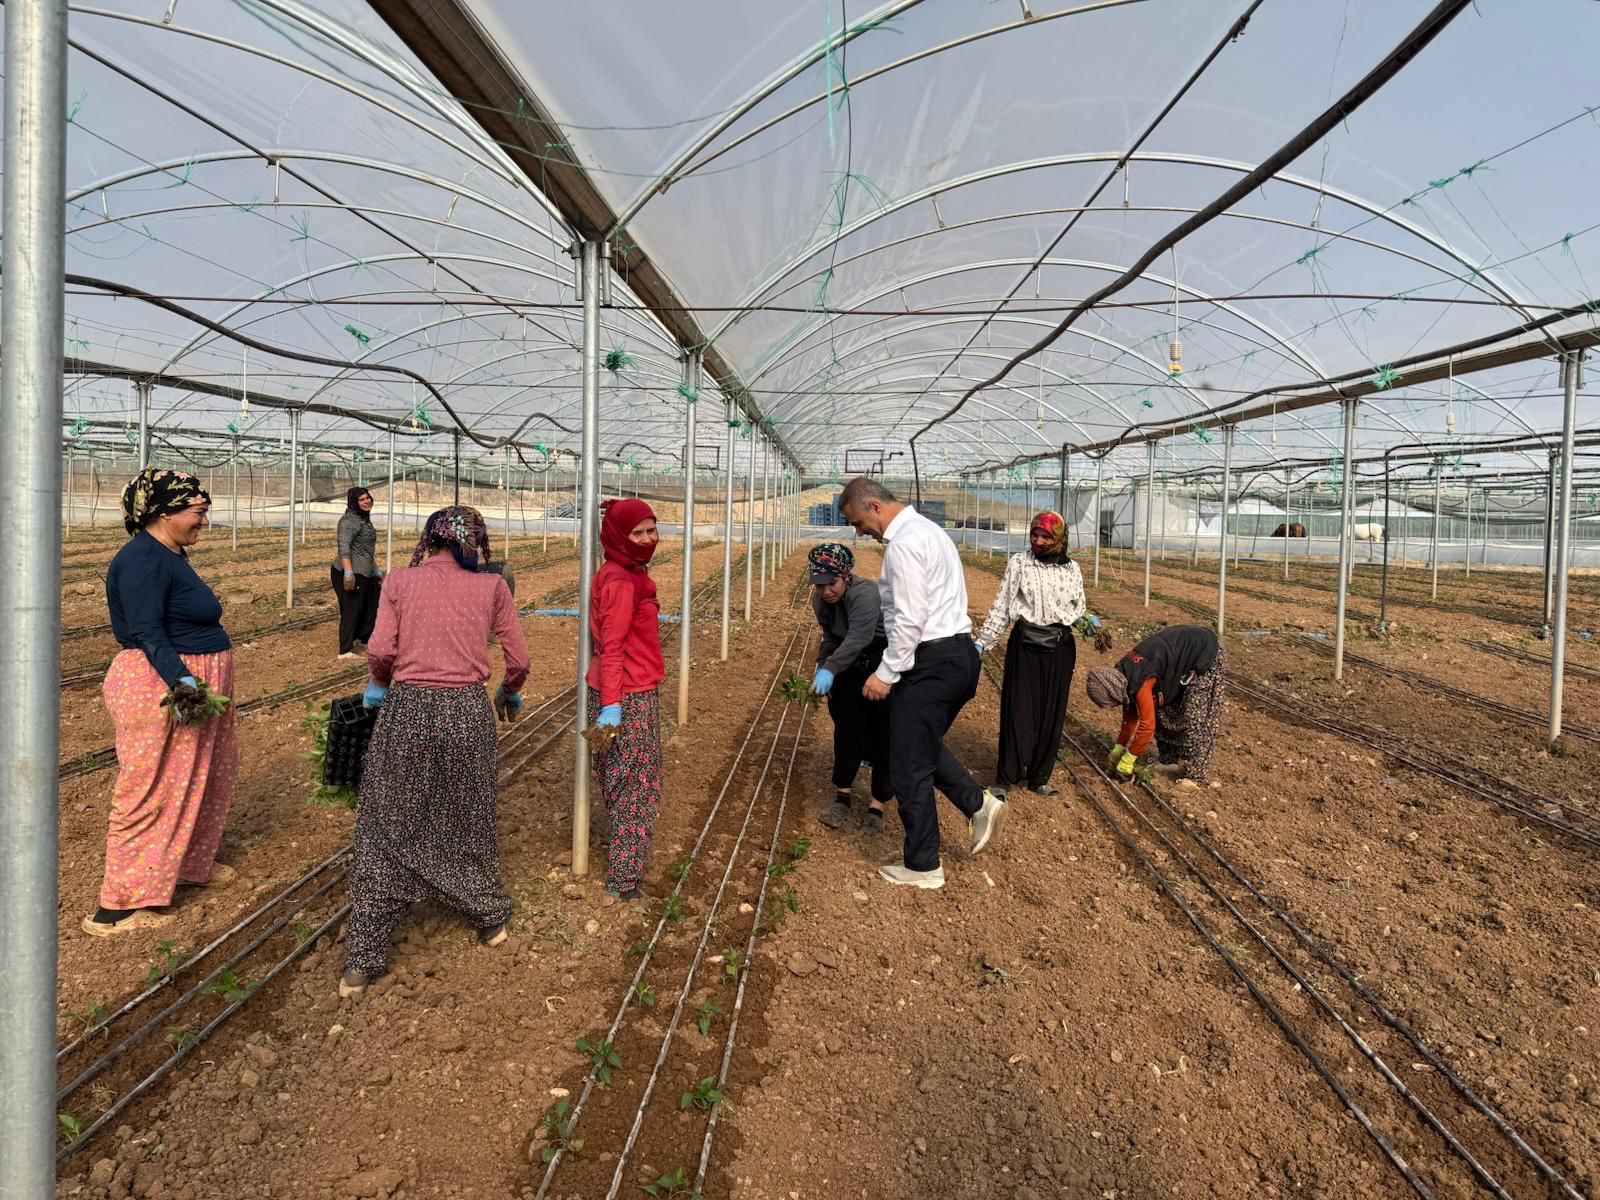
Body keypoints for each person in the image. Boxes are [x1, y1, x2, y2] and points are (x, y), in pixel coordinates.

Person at [340, 506, 529, 997]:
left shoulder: (400, 581)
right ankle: (488, 917)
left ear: (431, 539)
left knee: (389, 817)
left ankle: (362, 958)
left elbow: (381, 650)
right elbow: (519, 658)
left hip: (409, 708)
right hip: (467, 711)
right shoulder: (493, 587)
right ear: (475, 541)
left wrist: (379, 683)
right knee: (468, 811)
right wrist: (509, 691)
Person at [85, 467, 238, 936]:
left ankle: (184, 868)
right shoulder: (142, 560)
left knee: (200, 778)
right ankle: (117, 906)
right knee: (150, 789)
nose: (205, 522)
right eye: (198, 512)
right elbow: (147, 631)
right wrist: (184, 682)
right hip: (161, 684)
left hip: (187, 681)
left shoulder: (168, 552)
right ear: (164, 512)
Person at [837, 477, 1006, 890]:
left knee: (908, 762)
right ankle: (977, 803)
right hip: (958, 656)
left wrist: (886, 673)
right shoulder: (929, 530)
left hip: (932, 660)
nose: (859, 533)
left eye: (858, 522)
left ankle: (924, 864)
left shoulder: (905, 545)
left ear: (874, 506)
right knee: (920, 743)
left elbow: (911, 618)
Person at [974, 510, 1087, 799]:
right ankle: (1004, 778)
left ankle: (1039, 777)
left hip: (1060, 648)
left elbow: (1078, 604)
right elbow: (1002, 604)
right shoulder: (1020, 563)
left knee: (1052, 712)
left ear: (1059, 538)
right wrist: (982, 643)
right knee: (1018, 710)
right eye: (1035, 534)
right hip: (1025, 644)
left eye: (1046, 536)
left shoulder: (1071, 568)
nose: (1038, 540)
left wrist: (1083, 620)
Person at [587, 498, 665, 901]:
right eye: (637, 532)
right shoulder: (620, 580)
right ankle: (623, 881)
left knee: (621, 778)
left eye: (651, 530)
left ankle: (623, 867)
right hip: (627, 695)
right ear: (618, 536)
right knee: (636, 785)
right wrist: (612, 707)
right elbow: (613, 646)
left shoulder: (628, 571)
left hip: (623, 689)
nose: (647, 539)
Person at [807, 542, 893, 832]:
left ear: (845, 575)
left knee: (884, 730)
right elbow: (831, 637)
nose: (825, 591)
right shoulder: (821, 601)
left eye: (831, 583)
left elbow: (859, 636)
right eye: (819, 585)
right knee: (846, 726)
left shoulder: (865, 594)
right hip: (847, 663)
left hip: (880, 660)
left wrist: (831, 668)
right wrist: (822, 666)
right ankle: (842, 795)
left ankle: (877, 804)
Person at [1084, 624, 1225, 785]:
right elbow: (1130, 718)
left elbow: (1146, 726)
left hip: (1204, 650)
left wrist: (1128, 760)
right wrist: (1118, 748)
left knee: (1196, 717)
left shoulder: (1140, 680)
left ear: (1113, 693)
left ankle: (1195, 776)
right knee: (1163, 713)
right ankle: (1169, 760)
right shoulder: (1121, 678)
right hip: (1177, 653)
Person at [332, 486, 383, 659]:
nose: (366, 501)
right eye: (361, 499)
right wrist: (349, 573)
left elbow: (365, 549)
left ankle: (363, 640)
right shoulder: (349, 521)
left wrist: (376, 570)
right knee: (351, 609)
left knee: (371, 606)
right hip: (351, 571)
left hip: (365, 571)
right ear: (354, 502)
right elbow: (344, 548)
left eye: (367, 497)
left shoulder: (363, 519)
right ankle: (345, 650)